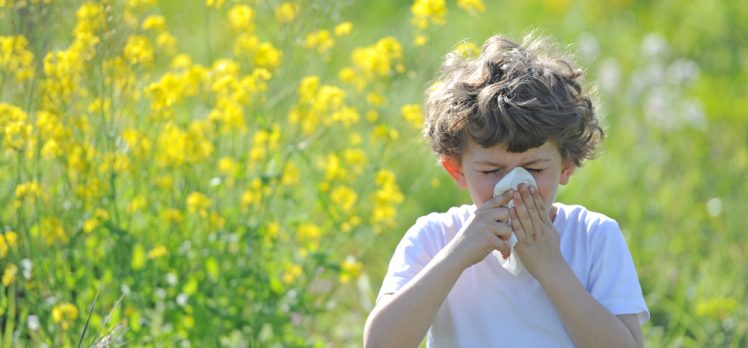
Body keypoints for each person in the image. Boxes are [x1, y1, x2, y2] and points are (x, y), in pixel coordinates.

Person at [363, 33, 649, 348]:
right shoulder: (435, 237)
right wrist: (457, 255)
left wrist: (551, 268)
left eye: (535, 170)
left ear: (566, 166)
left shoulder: (593, 237)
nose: (513, 185)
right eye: (491, 171)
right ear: (457, 170)